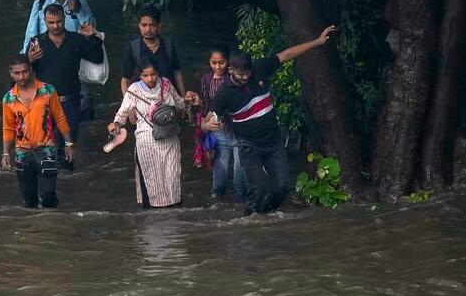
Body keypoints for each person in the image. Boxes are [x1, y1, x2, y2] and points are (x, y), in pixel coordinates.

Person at [204, 26, 337, 215]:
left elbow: (287, 54)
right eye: (241, 75)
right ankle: (249, 221)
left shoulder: (259, 68)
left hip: (273, 142)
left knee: (282, 187)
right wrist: (208, 125)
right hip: (249, 146)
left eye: (248, 73)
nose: (246, 77)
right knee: (258, 189)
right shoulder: (224, 94)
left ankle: (266, 216)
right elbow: (207, 120)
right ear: (231, 70)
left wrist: (317, 41)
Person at [108, 56, 201, 208]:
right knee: (152, 180)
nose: (150, 79)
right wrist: (116, 124)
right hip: (146, 142)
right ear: (139, 76)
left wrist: (188, 100)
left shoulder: (166, 84)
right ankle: (153, 216)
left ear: (158, 73)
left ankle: (174, 213)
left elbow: (179, 104)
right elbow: (122, 113)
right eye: (145, 75)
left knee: (172, 176)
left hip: (170, 138)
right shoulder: (133, 90)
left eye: (153, 74)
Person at [26, 3, 104, 170]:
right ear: (44, 21)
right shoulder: (37, 43)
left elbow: (97, 58)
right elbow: (23, 75)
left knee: (68, 150)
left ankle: (67, 185)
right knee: (41, 146)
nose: (55, 26)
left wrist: (92, 36)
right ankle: (46, 182)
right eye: (51, 22)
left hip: (70, 100)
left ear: (64, 19)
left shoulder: (75, 39)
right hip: (44, 102)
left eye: (59, 21)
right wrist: (29, 60)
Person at [1, 54, 74, 208]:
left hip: (46, 149)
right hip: (22, 153)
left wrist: (69, 144)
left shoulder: (47, 90)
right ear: (11, 73)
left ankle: (52, 224)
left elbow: (60, 117)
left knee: (48, 195)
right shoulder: (8, 99)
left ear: (31, 70)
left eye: (25, 71)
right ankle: (32, 230)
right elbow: (8, 128)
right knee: (29, 200)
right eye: (17, 73)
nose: (21, 76)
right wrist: (6, 153)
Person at [198, 45, 247, 202]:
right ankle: (216, 209)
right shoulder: (207, 80)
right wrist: (200, 107)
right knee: (220, 178)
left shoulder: (236, 78)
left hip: (239, 130)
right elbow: (207, 105)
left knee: (240, 180)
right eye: (214, 62)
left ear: (229, 63)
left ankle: (242, 207)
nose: (217, 67)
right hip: (219, 130)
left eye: (221, 62)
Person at [20, 0, 97, 54]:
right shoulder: (40, 4)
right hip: (48, 53)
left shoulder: (80, 0)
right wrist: (26, 56)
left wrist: (78, 11)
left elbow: (93, 29)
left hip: (74, 52)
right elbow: (31, 33)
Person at [120, 5, 186, 97]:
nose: (148, 29)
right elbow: (125, 80)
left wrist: (183, 99)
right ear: (138, 25)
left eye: (153, 25)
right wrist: (128, 105)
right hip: (142, 101)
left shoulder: (168, 45)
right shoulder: (132, 48)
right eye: (144, 25)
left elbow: (177, 72)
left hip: (168, 98)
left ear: (159, 25)